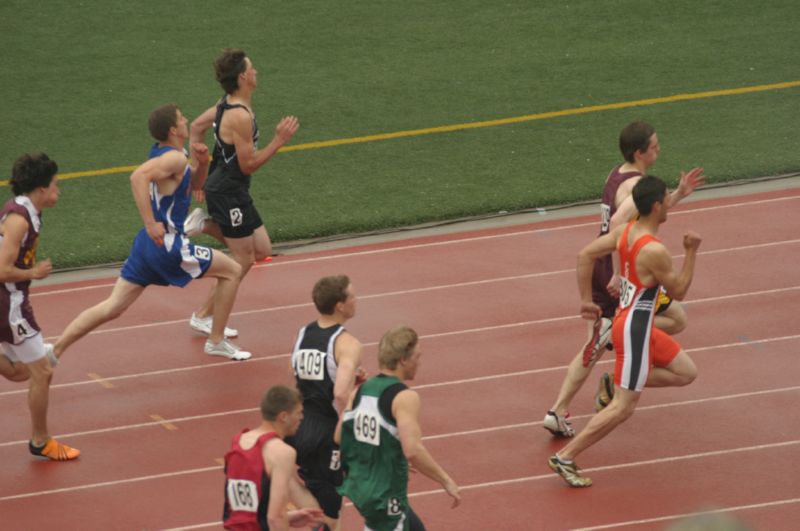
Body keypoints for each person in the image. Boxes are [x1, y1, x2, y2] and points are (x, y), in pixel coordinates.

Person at [50, 104, 251, 363]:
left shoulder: (168, 155)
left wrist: (202, 163)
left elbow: (193, 186)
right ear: (173, 129)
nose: (186, 120)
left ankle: (55, 350)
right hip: (168, 244)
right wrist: (149, 222)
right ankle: (216, 340)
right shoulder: (174, 158)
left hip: (147, 247)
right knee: (233, 271)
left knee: (112, 307)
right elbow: (137, 178)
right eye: (181, 118)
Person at [543, 121, 705, 436]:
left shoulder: (617, 174)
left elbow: (641, 213)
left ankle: (614, 338)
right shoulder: (633, 187)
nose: (659, 150)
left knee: (676, 318)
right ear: (639, 152)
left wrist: (679, 194)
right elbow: (621, 221)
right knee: (594, 345)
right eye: (655, 147)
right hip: (615, 272)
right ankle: (558, 408)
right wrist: (618, 271)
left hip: (614, 265)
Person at [548, 175, 701, 487]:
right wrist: (690, 251)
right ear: (657, 206)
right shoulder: (654, 250)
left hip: (633, 323)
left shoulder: (625, 231)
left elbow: (585, 254)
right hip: (633, 329)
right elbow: (681, 291)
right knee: (623, 407)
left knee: (686, 372)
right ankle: (565, 456)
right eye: (667, 198)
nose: (669, 202)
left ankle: (610, 385)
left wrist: (586, 301)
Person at [186, 48, 299, 330]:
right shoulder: (239, 116)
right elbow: (248, 164)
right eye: (253, 68)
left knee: (262, 249)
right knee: (243, 261)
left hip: (231, 188)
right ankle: (203, 317)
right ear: (243, 76)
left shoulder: (226, 104)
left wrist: (199, 174)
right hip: (227, 192)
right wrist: (278, 141)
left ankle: (206, 224)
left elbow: (197, 127)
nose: (257, 71)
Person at [336, 326, 461, 530]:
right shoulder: (404, 397)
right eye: (417, 357)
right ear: (403, 359)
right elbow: (413, 450)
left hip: (361, 488)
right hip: (385, 494)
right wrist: (446, 480)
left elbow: (340, 436)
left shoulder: (359, 391)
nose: (419, 363)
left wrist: (387, 453)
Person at [0, 152, 79, 460]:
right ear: (41, 188)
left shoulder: (25, 211)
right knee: (41, 371)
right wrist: (33, 273)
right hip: (10, 303)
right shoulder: (20, 219)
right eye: (56, 185)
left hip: (11, 299)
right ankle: (40, 440)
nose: (58, 190)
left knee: (21, 373)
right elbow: (3, 269)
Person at [286, 275, 364, 531]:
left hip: (299, 426)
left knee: (315, 501)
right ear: (340, 305)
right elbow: (341, 393)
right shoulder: (348, 343)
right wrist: (347, 429)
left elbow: (297, 370)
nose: (357, 300)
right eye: (352, 295)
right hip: (326, 433)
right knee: (329, 515)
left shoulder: (302, 333)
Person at [223, 385, 325, 530]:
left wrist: (289, 517)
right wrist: (282, 519)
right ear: (284, 416)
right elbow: (275, 517)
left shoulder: (239, 440)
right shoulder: (281, 452)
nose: (302, 417)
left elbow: (246, 510)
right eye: (299, 413)